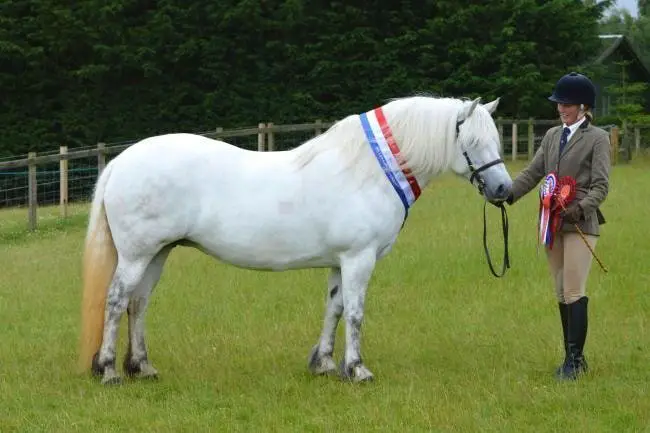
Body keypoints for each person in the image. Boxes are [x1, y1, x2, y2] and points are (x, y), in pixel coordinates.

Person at [506, 71, 611, 380]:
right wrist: (507, 194)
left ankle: (575, 361)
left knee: (573, 288)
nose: (561, 109)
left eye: (567, 104)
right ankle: (571, 356)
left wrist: (579, 209)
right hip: (552, 221)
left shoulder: (598, 138)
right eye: (559, 103)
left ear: (583, 106)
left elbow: (601, 186)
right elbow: (534, 171)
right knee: (559, 289)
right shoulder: (553, 136)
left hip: (580, 222)